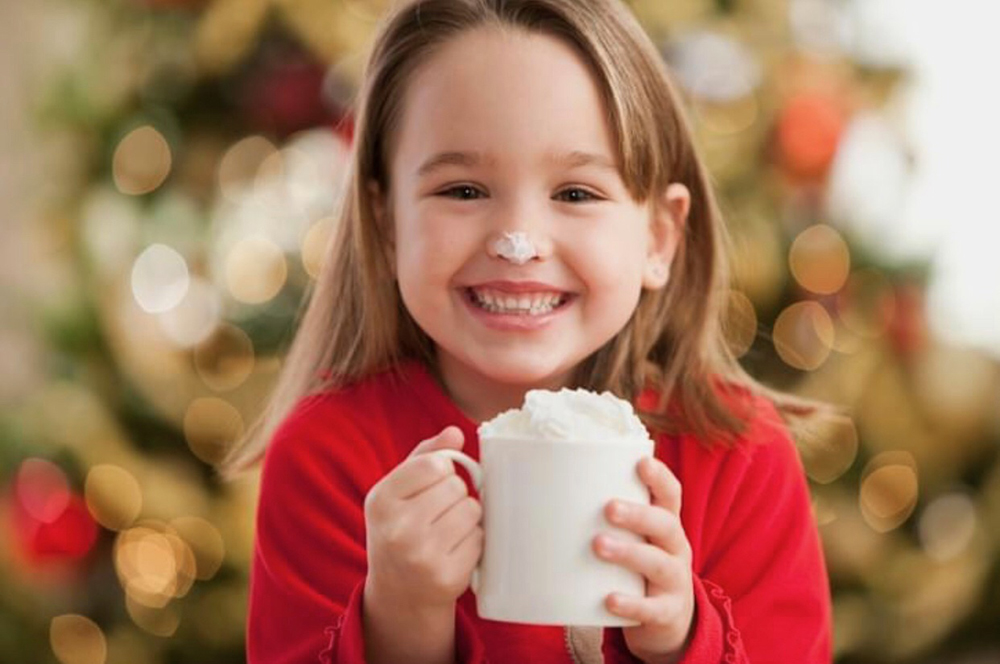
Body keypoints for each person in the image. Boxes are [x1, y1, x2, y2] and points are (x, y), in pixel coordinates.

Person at [220, 0, 833, 662]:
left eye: (575, 194)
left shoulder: (739, 459)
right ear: (387, 221)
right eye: (462, 191)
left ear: (658, 236)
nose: (518, 243)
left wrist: (685, 639)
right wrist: (397, 620)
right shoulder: (328, 460)